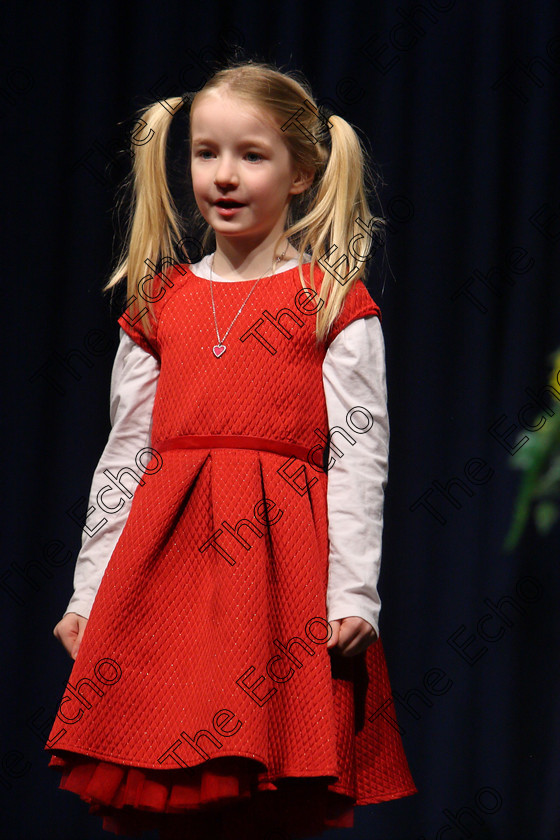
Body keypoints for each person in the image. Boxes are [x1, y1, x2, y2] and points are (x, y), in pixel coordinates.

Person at [45, 59, 417, 839]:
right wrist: (89, 589)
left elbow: (357, 455)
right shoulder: (160, 303)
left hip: (274, 583)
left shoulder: (330, 302)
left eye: (253, 155)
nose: (224, 175)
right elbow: (121, 460)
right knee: (169, 789)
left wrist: (353, 592)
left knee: (261, 789)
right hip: (164, 580)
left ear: (302, 173)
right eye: (206, 152)